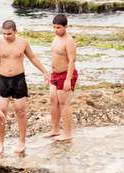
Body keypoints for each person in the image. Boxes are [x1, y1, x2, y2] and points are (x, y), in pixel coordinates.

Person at [0, 20, 50, 154]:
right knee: (0, 113)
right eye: (4, 33)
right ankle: (0, 143)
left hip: (19, 80)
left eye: (9, 33)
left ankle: (21, 142)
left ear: (15, 31)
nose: (6, 36)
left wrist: (44, 71)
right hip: (3, 80)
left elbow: (32, 57)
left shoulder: (23, 43)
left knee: (20, 112)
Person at [44, 13, 78, 141]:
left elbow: (72, 61)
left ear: (66, 27)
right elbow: (55, 56)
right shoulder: (55, 38)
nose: (56, 30)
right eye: (54, 27)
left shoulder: (69, 41)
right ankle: (55, 129)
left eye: (58, 27)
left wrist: (68, 80)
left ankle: (68, 133)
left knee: (64, 104)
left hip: (66, 74)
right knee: (53, 100)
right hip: (54, 74)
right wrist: (48, 73)